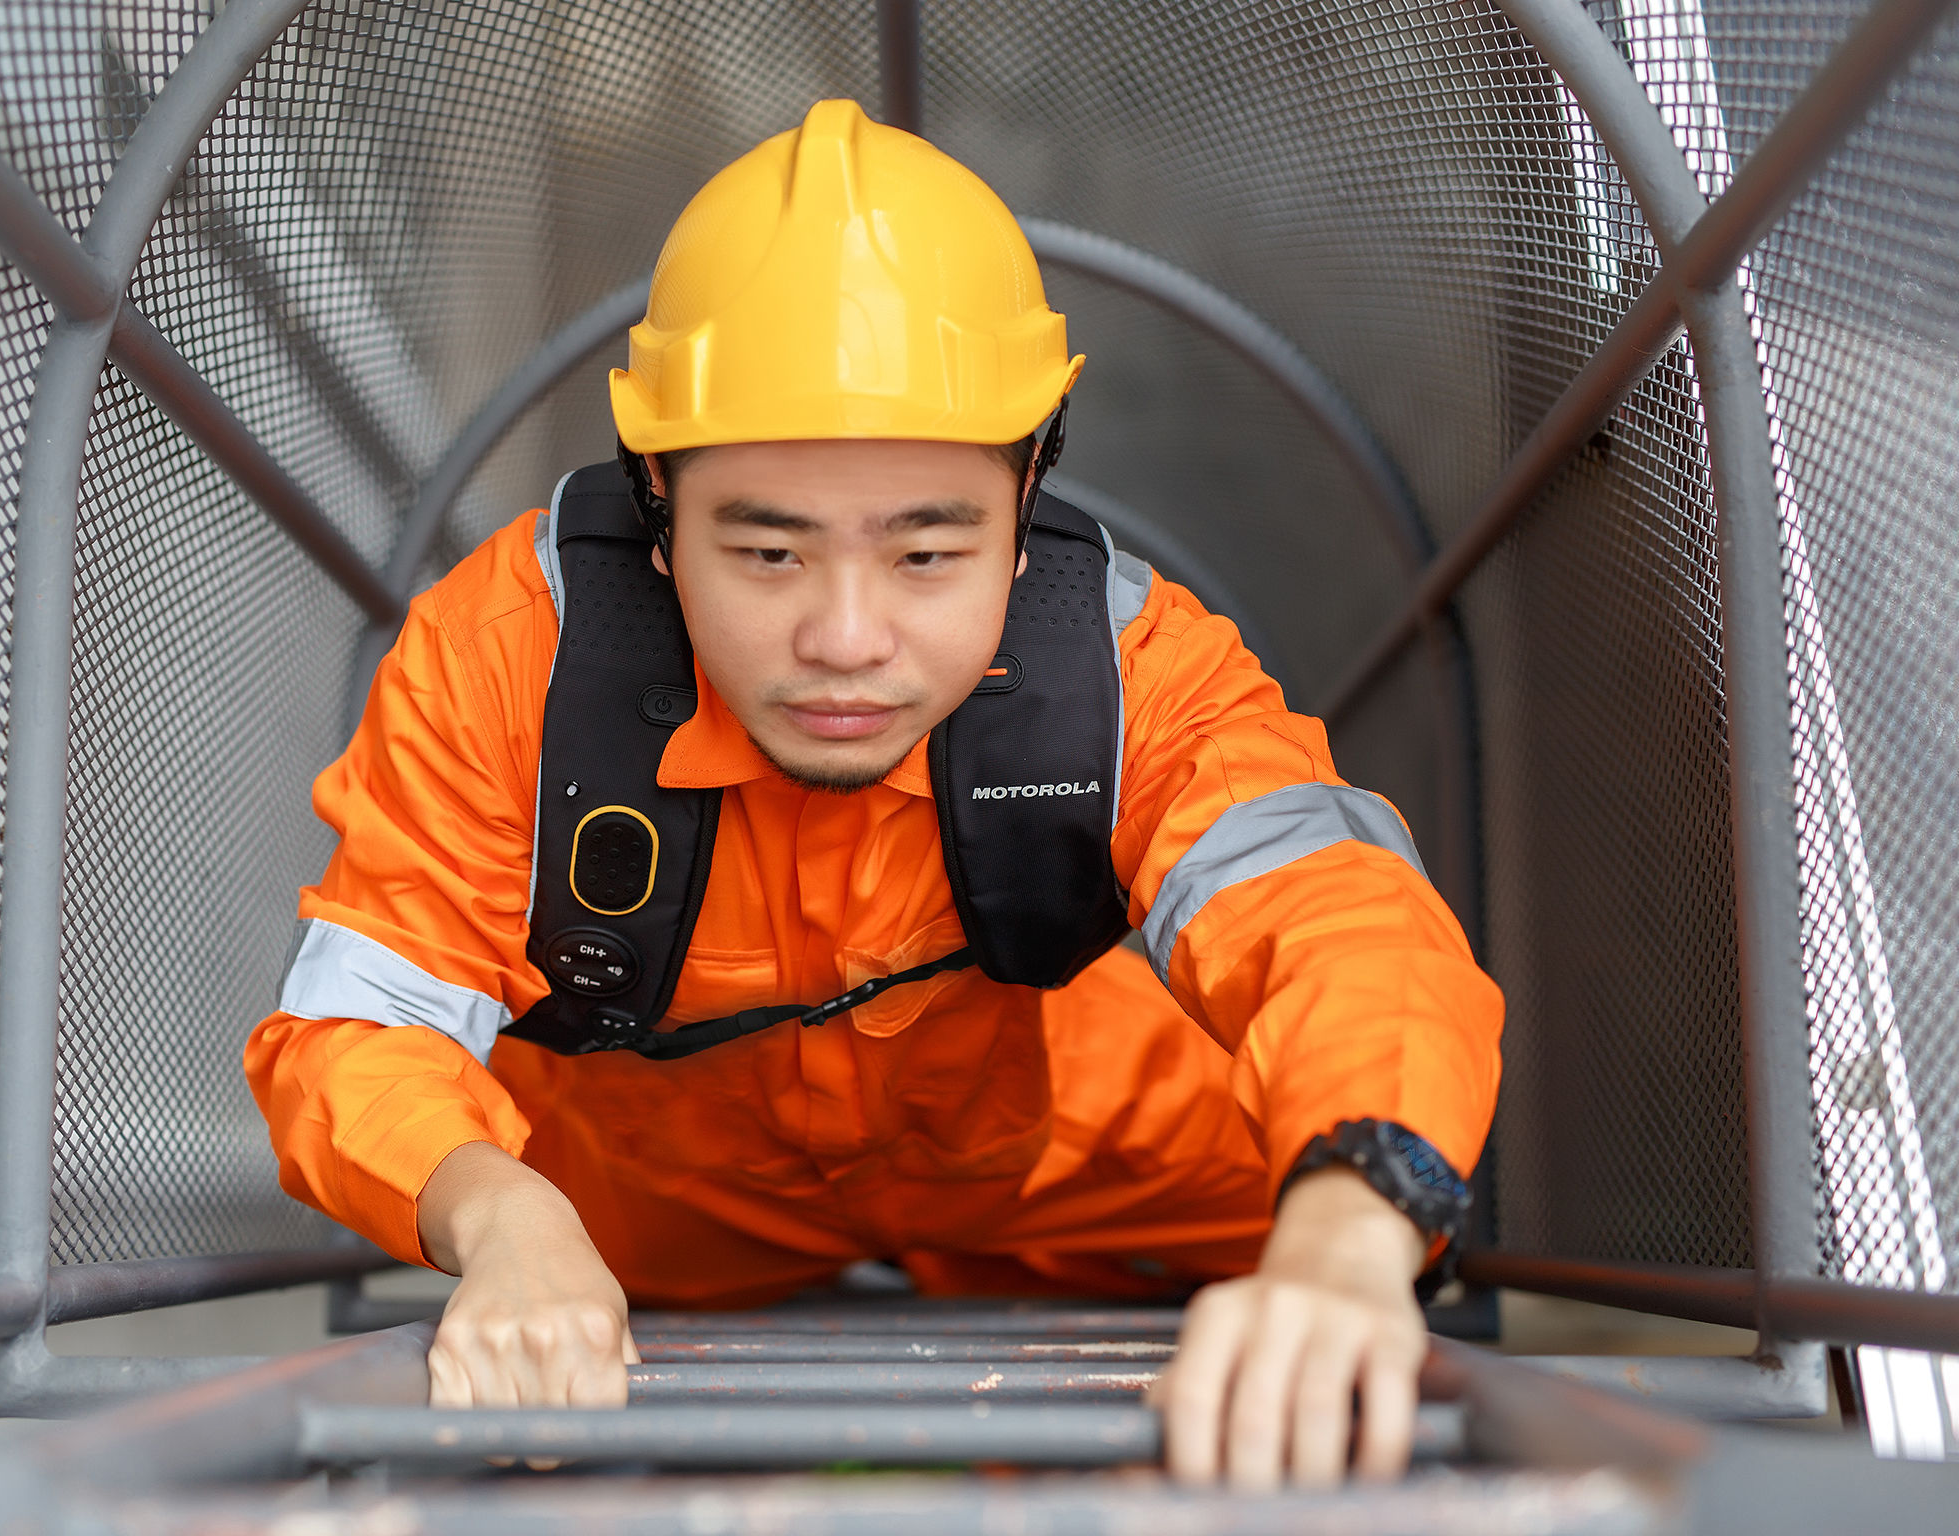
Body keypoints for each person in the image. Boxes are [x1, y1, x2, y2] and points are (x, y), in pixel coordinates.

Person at [246, 98, 1501, 1490]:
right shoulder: (505, 667)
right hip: (649, 1245)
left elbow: (1341, 925)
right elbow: (358, 1025)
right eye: (770, 554)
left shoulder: (1137, 667)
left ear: (1030, 500)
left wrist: (1345, 1236)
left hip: (1119, 1191)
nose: (847, 639)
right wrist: (500, 1219)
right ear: (656, 501)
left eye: (925, 554)